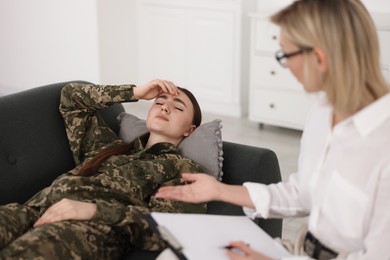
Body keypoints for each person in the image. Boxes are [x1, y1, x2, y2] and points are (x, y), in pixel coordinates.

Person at [156, 0, 390, 259]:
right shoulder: (322, 113)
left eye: (285, 55)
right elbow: (304, 194)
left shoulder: (382, 147)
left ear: (319, 58)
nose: (286, 65)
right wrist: (219, 190)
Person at [0, 80, 206, 259]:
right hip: (32, 209)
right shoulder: (106, 145)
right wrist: (134, 92)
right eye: (159, 102)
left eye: (178, 107)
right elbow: (71, 98)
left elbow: (169, 226)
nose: (164, 108)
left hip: (85, 229)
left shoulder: (184, 169)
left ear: (190, 129)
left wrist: (93, 210)